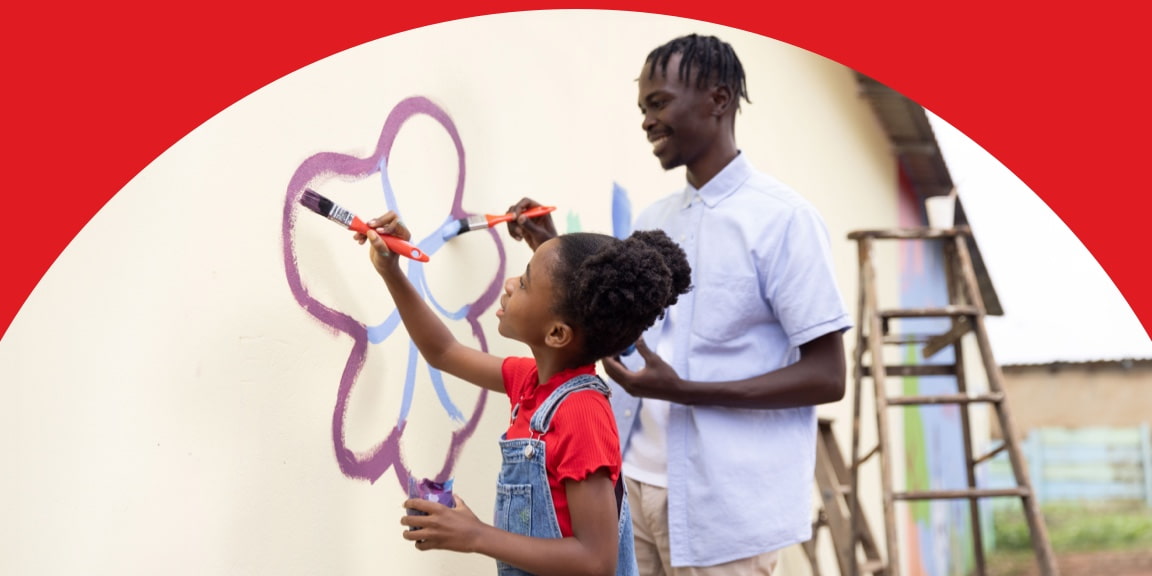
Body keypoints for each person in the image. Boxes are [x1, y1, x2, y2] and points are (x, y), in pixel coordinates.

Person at [505, 33, 852, 576]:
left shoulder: (783, 220)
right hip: (634, 490)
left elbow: (828, 376)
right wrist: (551, 252)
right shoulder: (658, 218)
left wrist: (684, 392)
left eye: (659, 103)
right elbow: (612, 322)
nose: (646, 120)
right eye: (643, 107)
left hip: (727, 514)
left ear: (718, 100)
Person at [354, 212, 691, 576]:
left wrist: (475, 535)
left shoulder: (582, 413)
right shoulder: (529, 381)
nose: (512, 283)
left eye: (527, 283)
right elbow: (444, 352)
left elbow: (596, 560)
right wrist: (391, 271)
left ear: (557, 334)